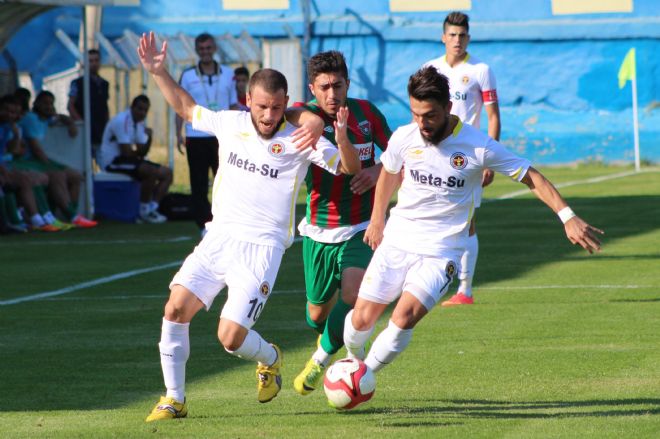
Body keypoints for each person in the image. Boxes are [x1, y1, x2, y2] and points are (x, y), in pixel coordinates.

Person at [137, 31, 360, 422]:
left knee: (229, 338)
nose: (269, 116)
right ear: (247, 101)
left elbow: (348, 167)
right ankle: (174, 398)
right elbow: (187, 108)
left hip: (263, 249)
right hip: (219, 238)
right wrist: (158, 72)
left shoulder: (302, 137)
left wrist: (340, 139)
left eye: (276, 108)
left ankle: (270, 357)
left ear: (286, 104)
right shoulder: (230, 123)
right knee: (174, 309)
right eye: (262, 107)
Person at [343, 67, 603, 389]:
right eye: (416, 114)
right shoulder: (404, 137)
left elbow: (530, 176)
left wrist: (567, 216)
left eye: (430, 115)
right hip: (398, 239)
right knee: (361, 320)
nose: (422, 123)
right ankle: (352, 360)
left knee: (403, 317)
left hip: (443, 251)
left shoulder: (478, 146)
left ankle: (360, 379)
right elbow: (389, 172)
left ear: (448, 107)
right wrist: (378, 219)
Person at [284, 50, 392, 396]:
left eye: (338, 85)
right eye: (324, 87)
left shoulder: (367, 114)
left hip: (362, 225)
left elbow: (398, 154)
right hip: (319, 229)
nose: (332, 94)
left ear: (348, 83)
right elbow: (285, 112)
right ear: (312, 89)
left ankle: (319, 361)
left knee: (353, 293)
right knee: (316, 315)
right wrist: (309, 118)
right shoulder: (305, 117)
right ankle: (332, 334)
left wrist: (377, 170)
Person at [424, 11, 501, 306]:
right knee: (431, 214)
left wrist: (490, 159)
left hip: (466, 156)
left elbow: (493, 116)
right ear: (443, 37)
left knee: (466, 221)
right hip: (434, 153)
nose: (457, 40)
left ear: (469, 38)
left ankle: (465, 290)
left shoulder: (481, 70)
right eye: (453, 35)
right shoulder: (430, 69)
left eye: (462, 35)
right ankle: (430, 278)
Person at [176, 33, 239, 234]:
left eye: (208, 48)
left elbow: (233, 105)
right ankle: (204, 224)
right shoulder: (188, 75)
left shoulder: (228, 73)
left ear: (215, 49)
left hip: (222, 135)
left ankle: (226, 219)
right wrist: (177, 132)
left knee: (226, 179)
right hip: (196, 135)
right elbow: (180, 106)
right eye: (202, 49)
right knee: (199, 182)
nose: (205, 52)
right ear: (197, 50)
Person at [15, 91, 97, 228]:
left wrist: (70, 122)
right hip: (27, 162)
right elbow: (36, 149)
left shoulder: (44, 119)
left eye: (51, 103)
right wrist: (50, 166)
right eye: (45, 103)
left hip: (36, 162)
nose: (49, 106)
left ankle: (72, 214)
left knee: (76, 176)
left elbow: (59, 117)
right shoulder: (30, 118)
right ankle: (69, 216)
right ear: (36, 104)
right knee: (56, 175)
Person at [98, 95, 172, 224]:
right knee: (150, 171)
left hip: (125, 160)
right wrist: (139, 155)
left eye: (145, 110)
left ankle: (152, 208)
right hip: (112, 162)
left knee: (167, 173)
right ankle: (144, 211)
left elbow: (142, 153)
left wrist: (149, 138)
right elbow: (126, 153)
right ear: (132, 107)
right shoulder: (122, 121)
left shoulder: (138, 123)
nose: (142, 113)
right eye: (139, 109)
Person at [0, 94, 56, 232]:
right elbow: (16, 153)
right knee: (16, 180)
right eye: (6, 110)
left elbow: (12, 150)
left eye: (14, 112)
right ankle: (20, 220)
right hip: (7, 165)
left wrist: (16, 135)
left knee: (29, 179)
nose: (10, 115)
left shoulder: (7, 127)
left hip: (6, 165)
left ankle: (38, 218)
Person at [67, 49, 110, 154]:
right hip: (85, 131)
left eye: (96, 60)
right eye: (90, 61)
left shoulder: (104, 84)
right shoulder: (78, 83)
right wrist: (82, 123)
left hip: (100, 130)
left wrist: (107, 124)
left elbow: (105, 106)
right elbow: (70, 105)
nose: (94, 64)